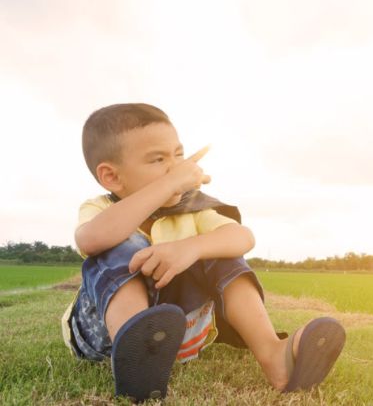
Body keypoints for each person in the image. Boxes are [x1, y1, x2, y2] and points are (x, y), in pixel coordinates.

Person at [60, 103, 346, 402]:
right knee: (119, 243)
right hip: (103, 337)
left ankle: (274, 355)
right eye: (158, 160)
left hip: (180, 333)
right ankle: (136, 349)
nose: (177, 168)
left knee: (220, 248)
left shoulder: (193, 209)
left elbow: (243, 237)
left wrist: (190, 248)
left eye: (179, 156)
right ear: (112, 177)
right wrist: (170, 182)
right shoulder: (102, 209)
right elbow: (92, 239)